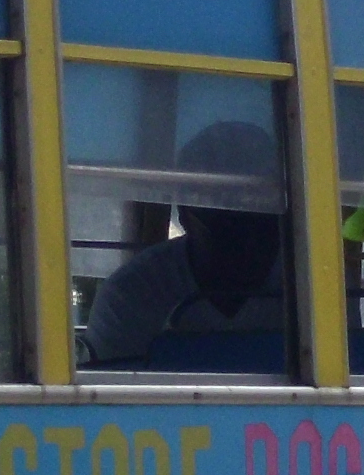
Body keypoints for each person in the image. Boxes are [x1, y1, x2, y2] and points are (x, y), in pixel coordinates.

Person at [79, 123, 290, 368]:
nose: (243, 235)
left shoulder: (321, 290)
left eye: (260, 210)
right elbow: (111, 398)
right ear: (185, 215)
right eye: (220, 216)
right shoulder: (131, 294)